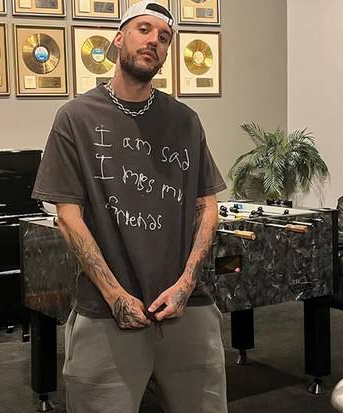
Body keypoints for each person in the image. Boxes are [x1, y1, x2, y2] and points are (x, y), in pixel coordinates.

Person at [30, 1, 228, 412]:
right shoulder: (76, 118)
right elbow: (68, 218)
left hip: (187, 309)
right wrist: (115, 294)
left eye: (164, 36)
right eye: (143, 29)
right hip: (105, 314)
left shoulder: (185, 120)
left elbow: (207, 207)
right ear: (119, 38)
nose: (154, 40)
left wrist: (187, 284)